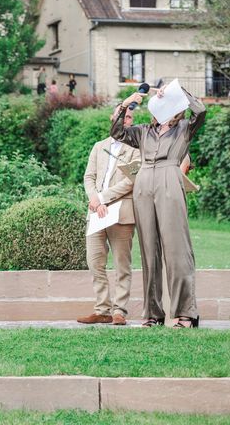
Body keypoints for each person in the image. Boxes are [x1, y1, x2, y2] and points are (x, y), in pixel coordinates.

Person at [111, 87, 206, 328]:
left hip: (169, 180)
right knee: (149, 251)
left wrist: (177, 90)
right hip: (143, 184)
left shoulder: (184, 128)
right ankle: (153, 314)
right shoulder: (144, 131)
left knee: (177, 250)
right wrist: (125, 105)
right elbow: (117, 132)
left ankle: (186, 313)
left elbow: (201, 111)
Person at [78, 104, 140, 326]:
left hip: (121, 213)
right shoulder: (98, 146)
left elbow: (131, 181)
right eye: (121, 115)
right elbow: (89, 177)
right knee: (95, 262)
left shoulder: (137, 149)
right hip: (96, 211)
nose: (125, 119)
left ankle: (119, 311)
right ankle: (102, 309)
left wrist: (103, 197)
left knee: (122, 264)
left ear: (132, 122)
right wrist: (94, 198)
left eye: (129, 116)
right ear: (112, 117)